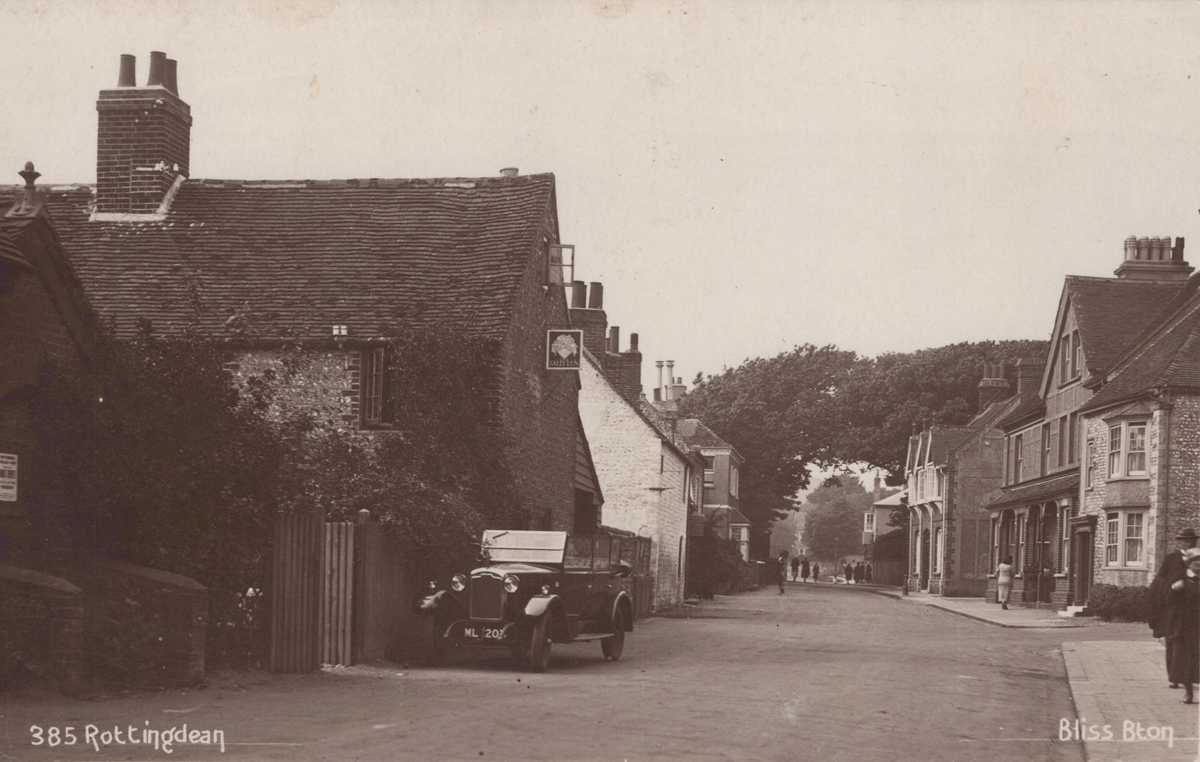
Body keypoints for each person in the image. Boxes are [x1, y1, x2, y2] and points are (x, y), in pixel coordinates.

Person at [1150, 528, 1198, 688]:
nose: (1189, 543)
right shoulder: (1171, 559)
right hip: (1173, 609)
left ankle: (1189, 679)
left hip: (1192, 610)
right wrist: (1171, 585)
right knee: (1172, 643)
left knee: (1191, 645)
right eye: (1185, 540)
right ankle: (1174, 678)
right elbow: (1159, 579)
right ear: (1179, 542)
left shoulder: (1198, 559)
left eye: (1192, 540)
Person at [1164, 548, 1200, 704]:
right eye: (1196, 563)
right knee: (1185, 660)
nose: (1199, 566)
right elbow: (1168, 601)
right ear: (1189, 564)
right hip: (1185, 626)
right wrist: (1173, 589)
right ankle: (1188, 693)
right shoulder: (1181, 579)